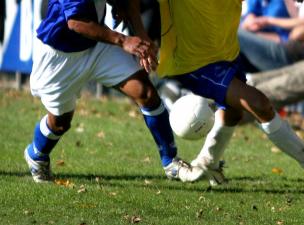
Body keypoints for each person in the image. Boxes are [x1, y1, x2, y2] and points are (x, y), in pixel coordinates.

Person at [157, 0, 304, 185]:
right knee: (259, 104)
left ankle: (207, 163)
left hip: (224, 55)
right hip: (193, 62)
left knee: (232, 113)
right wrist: (133, 36)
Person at [24, 0, 195, 183]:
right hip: (60, 57)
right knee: (60, 123)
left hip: (97, 47)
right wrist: (124, 40)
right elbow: (76, 22)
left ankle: (171, 162)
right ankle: (36, 154)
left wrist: (140, 33)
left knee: (145, 92)